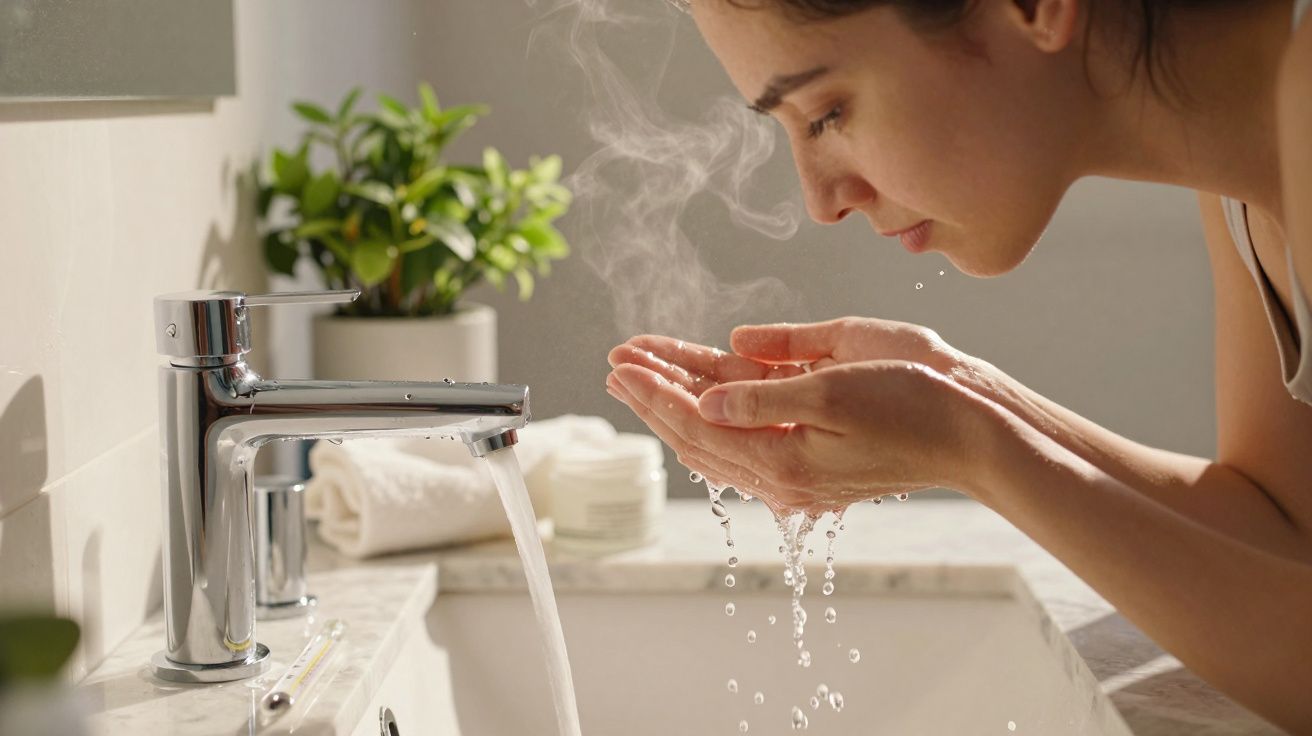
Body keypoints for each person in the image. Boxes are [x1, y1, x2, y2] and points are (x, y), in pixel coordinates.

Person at [603, 0, 1312, 731]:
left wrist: (975, 449)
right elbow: (1286, 536)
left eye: (826, 115)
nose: (822, 200)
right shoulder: (1245, 161)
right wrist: (966, 399)